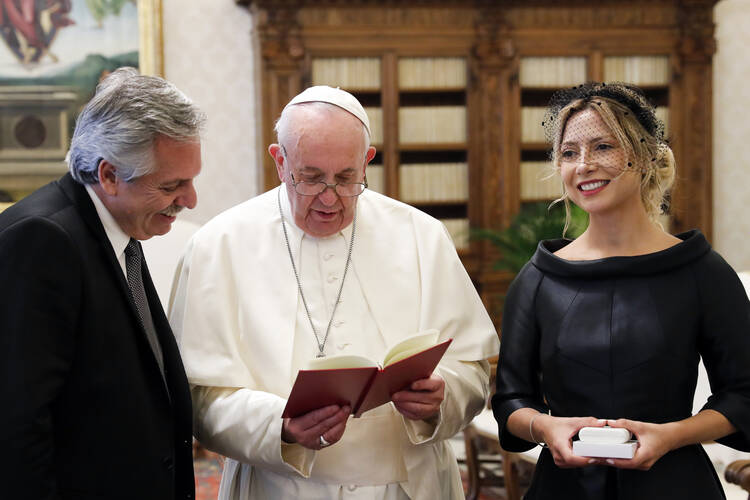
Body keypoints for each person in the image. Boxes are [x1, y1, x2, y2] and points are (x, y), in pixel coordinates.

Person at [169, 85, 499, 499]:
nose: (329, 199)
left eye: (346, 179)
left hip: (409, 487)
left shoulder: (421, 235)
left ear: (367, 161)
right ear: (279, 160)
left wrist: (442, 396)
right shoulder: (219, 244)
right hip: (278, 487)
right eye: (309, 178)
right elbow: (197, 398)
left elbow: (471, 369)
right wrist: (280, 425)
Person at [492, 82, 750, 499]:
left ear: (646, 156)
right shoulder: (538, 279)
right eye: (569, 153)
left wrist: (671, 435)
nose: (584, 165)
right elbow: (511, 401)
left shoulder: (702, 271)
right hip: (565, 488)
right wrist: (546, 426)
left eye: (603, 147)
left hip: (674, 485)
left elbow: (743, 395)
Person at [0, 67, 205, 499]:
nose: (189, 200)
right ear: (109, 175)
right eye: (172, 185)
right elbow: (17, 426)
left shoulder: (118, 230)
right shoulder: (42, 240)